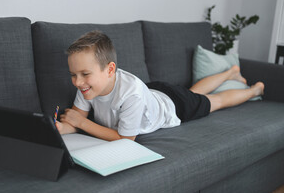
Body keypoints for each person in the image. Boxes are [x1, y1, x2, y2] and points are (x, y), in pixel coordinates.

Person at [55, 31, 264, 141]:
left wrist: (80, 124)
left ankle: (254, 89)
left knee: (214, 101)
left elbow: (125, 138)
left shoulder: (131, 94)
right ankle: (230, 72)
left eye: (84, 74)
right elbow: (76, 116)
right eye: (73, 75)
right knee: (192, 92)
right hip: (153, 91)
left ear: (110, 70)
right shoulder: (87, 86)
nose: (77, 81)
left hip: (172, 105)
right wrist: (62, 128)